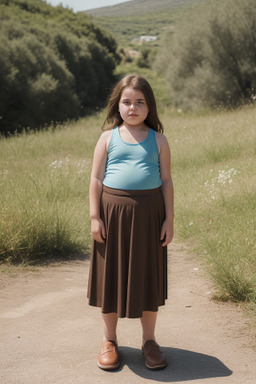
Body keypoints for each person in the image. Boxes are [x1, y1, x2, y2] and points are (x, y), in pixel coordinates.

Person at [87, 73, 174, 371]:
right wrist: (95, 217)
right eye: (127, 102)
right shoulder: (107, 138)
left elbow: (166, 181)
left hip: (150, 218)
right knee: (110, 279)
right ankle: (109, 341)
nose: (133, 107)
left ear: (149, 107)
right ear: (117, 106)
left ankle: (149, 342)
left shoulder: (159, 140)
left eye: (140, 102)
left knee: (147, 278)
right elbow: (96, 179)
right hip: (112, 218)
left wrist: (169, 219)